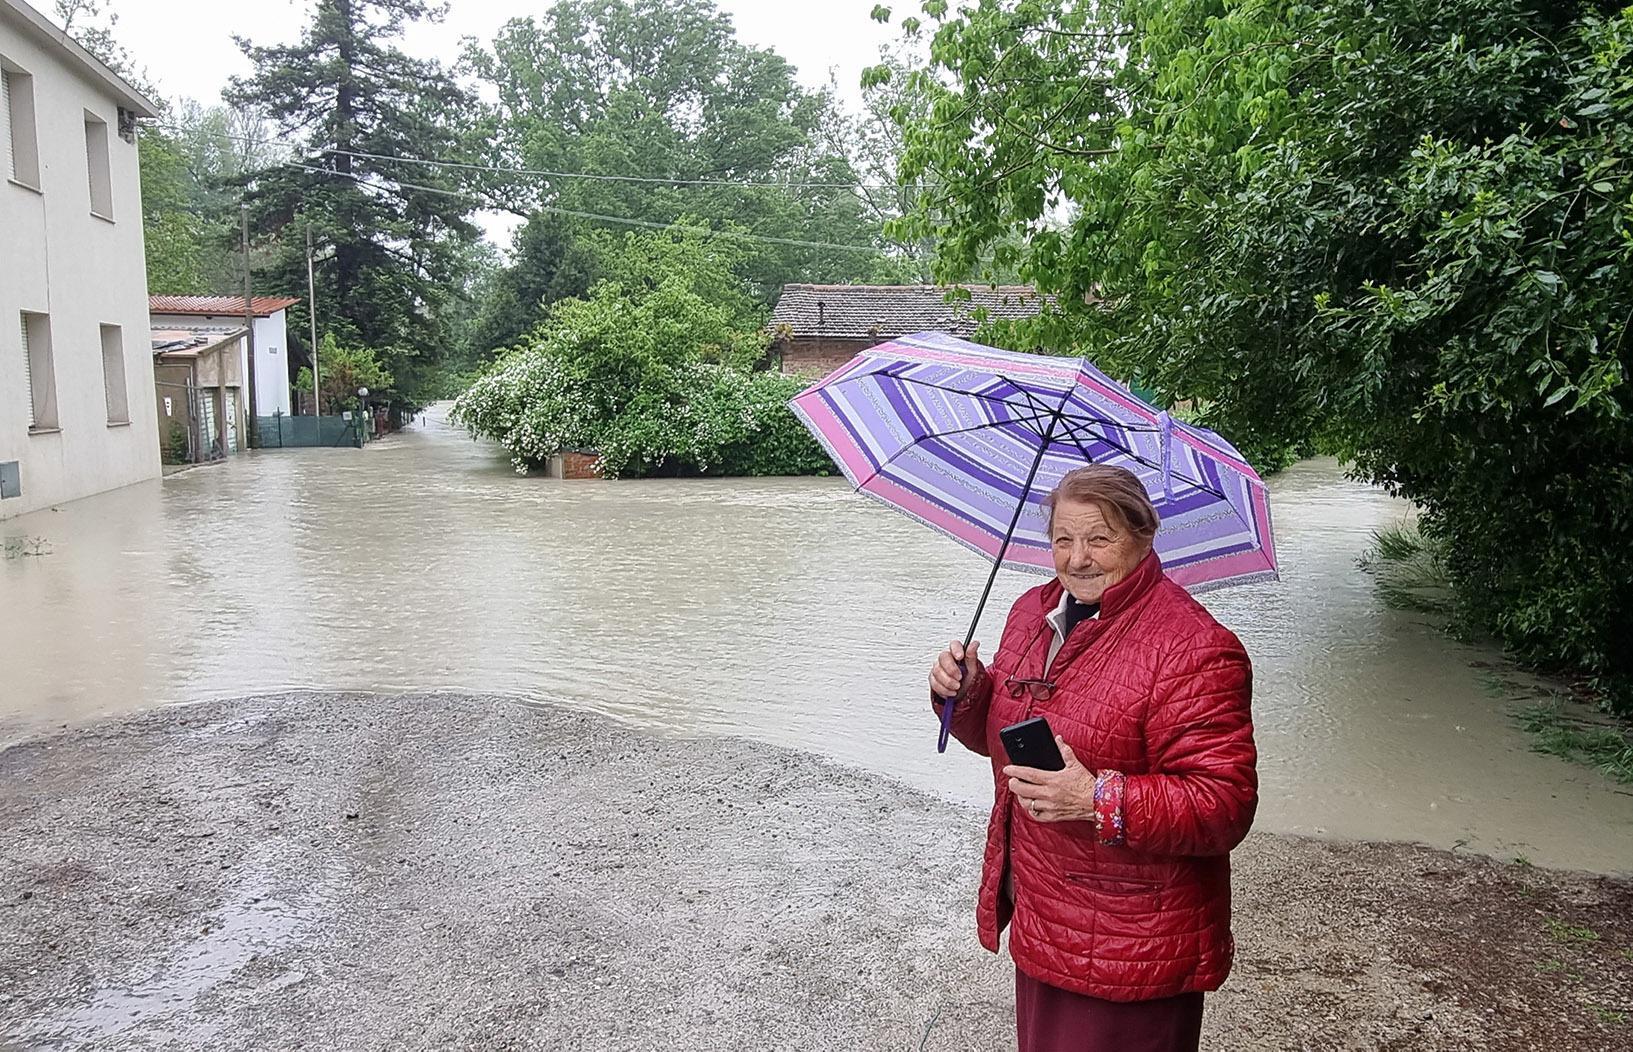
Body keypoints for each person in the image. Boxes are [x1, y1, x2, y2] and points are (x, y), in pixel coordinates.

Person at [928, 464, 1257, 1052]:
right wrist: (969, 691)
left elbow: (1224, 805)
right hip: (1047, 910)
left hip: (1135, 942)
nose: (1077, 558)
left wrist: (1097, 798)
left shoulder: (1195, 648)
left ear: (1143, 536)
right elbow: (1005, 740)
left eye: (1099, 539)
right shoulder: (1032, 611)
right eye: (1062, 539)